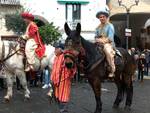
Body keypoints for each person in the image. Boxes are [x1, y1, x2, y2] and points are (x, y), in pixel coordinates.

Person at [49, 45, 76, 113]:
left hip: (63, 82)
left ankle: (64, 111)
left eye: (56, 49)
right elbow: (54, 70)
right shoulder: (56, 58)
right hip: (55, 82)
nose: (54, 50)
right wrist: (52, 79)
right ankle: (62, 110)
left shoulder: (65, 57)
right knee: (57, 98)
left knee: (63, 99)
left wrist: (70, 71)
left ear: (60, 50)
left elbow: (72, 67)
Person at [95, 5, 118, 77]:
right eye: (100, 17)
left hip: (109, 44)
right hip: (98, 43)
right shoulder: (97, 27)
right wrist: (97, 40)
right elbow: (96, 36)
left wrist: (101, 40)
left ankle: (112, 69)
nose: (101, 18)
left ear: (106, 17)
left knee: (107, 51)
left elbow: (110, 38)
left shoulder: (110, 26)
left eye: (103, 17)